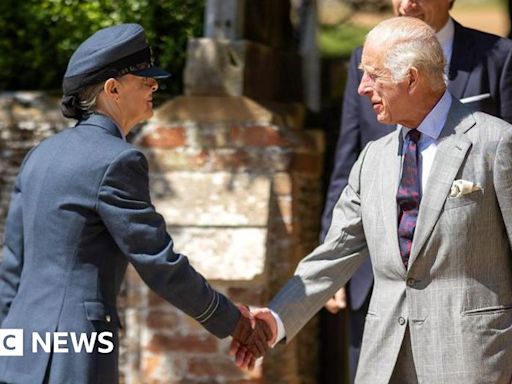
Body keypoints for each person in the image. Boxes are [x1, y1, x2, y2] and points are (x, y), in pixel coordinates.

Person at [234, 16, 512, 383]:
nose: (363, 87)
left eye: (373, 75)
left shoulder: (495, 143)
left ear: (411, 78)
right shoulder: (372, 159)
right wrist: (275, 318)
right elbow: (335, 252)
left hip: (472, 360)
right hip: (383, 362)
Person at [0, 23, 270, 384]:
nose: (154, 86)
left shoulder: (40, 155)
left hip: (19, 348)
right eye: (144, 80)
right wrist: (232, 320)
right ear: (113, 89)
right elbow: (157, 262)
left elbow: (12, 268)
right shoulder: (117, 160)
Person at [321, 0, 512, 381]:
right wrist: (332, 257)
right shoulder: (368, 58)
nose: (407, 3)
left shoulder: (498, 57)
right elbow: (348, 158)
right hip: (379, 287)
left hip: (468, 320)